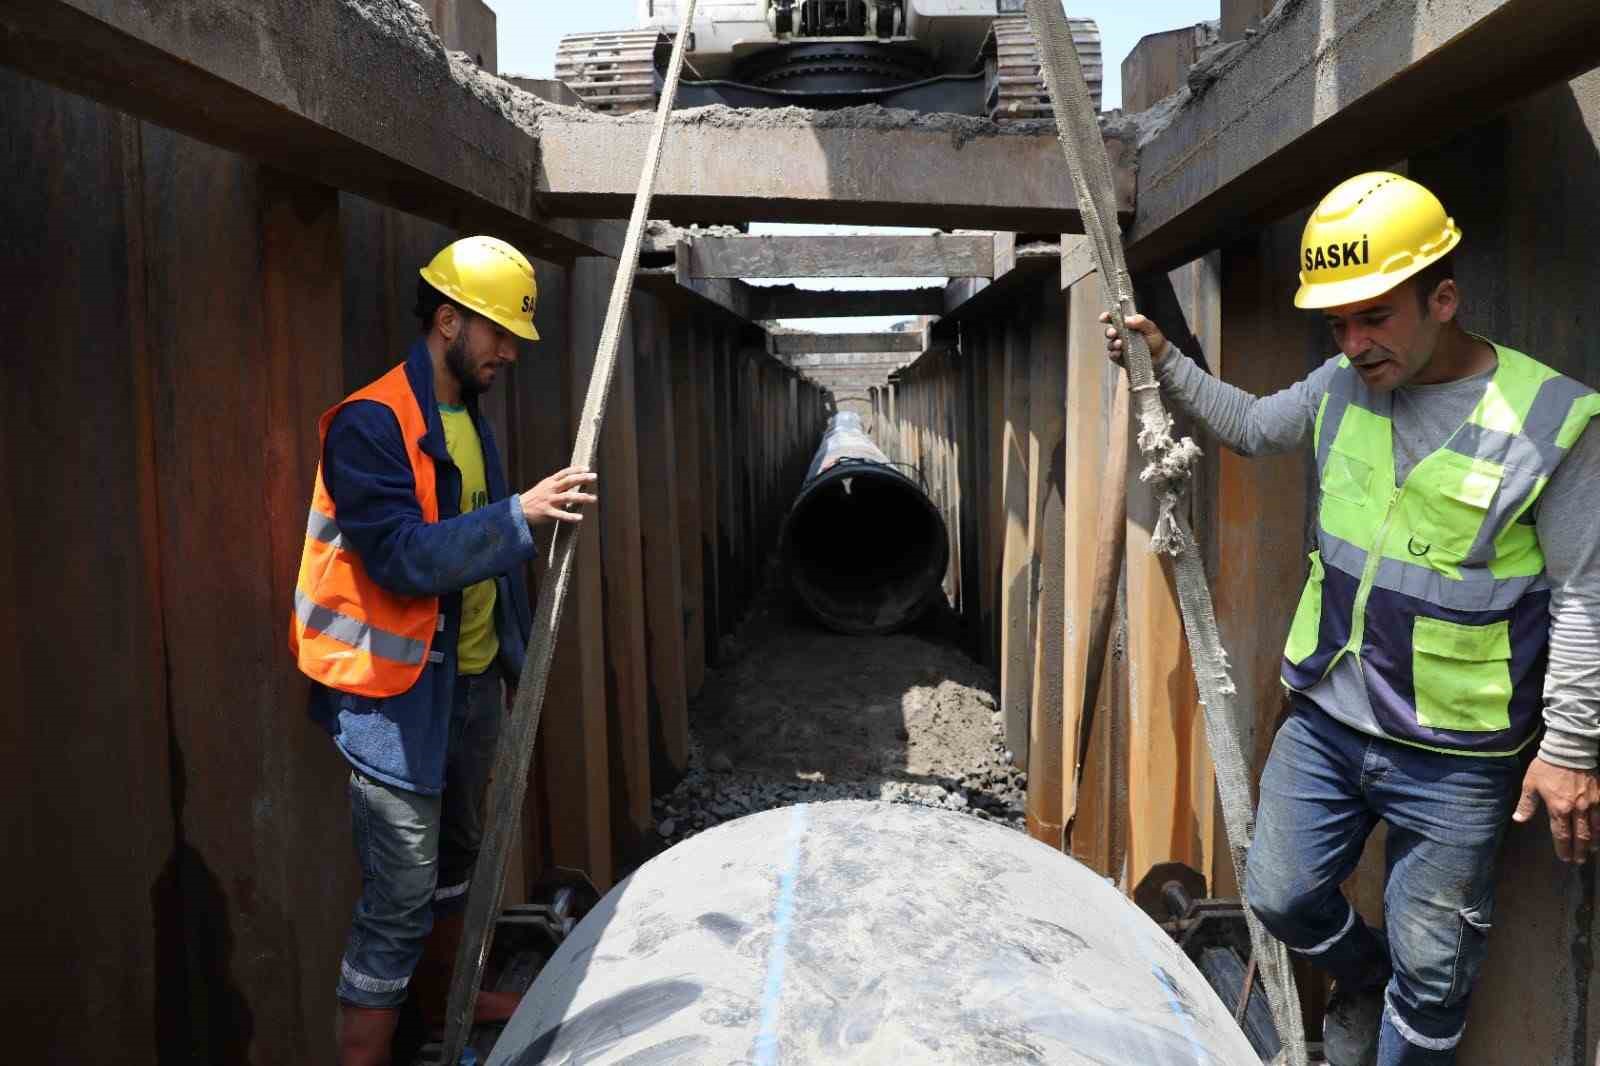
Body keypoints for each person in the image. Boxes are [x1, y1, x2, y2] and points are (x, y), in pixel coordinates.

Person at [1103, 172, 1600, 1066]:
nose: (1354, 342)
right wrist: (1165, 364)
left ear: (1441, 300)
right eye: (1337, 323)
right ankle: (1360, 980)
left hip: (1455, 752)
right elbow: (1253, 426)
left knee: (1436, 970)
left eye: (1374, 317)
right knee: (1282, 894)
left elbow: (1584, 593)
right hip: (1330, 716)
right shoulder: (1340, 385)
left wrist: (1568, 747)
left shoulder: (1550, 419)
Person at [290, 235, 598, 1065]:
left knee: (459, 866)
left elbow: (482, 574)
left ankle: (444, 1017)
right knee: (398, 895)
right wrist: (519, 517)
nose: (507, 352)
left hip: (465, 689)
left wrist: (513, 659)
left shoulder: (466, 420)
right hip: (392, 697)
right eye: (497, 332)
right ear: (447, 318)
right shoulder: (368, 425)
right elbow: (400, 556)